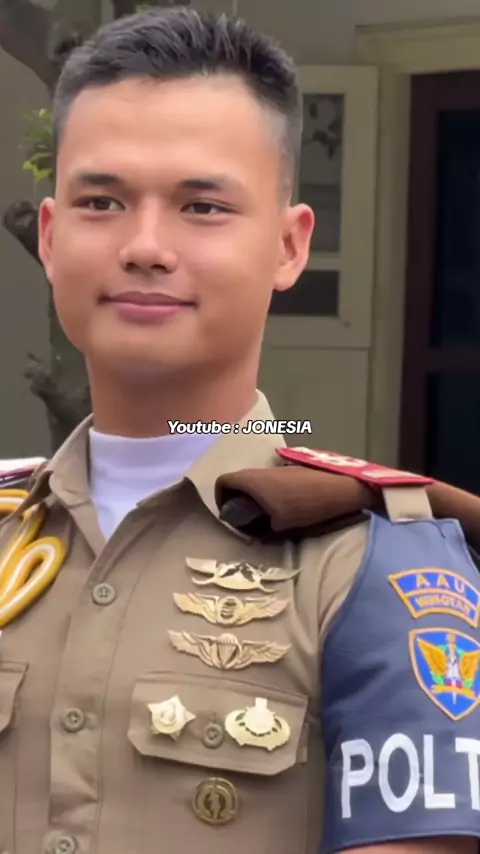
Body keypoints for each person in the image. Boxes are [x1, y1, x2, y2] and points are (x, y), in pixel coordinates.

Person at [0, 7, 478, 854]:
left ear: (289, 247)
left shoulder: (374, 563)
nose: (145, 246)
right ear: (50, 236)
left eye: (203, 206)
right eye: (102, 202)